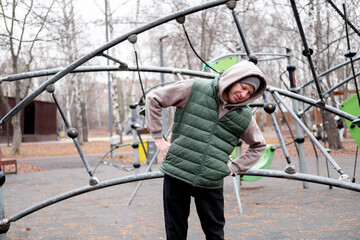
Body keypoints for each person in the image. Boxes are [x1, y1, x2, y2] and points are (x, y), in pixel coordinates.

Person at [145, 60, 267, 240]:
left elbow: (258, 145)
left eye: (249, 92)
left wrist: (235, 168)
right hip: (178, 172)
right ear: (233, 79)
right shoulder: (194, 88)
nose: (243, 94)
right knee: (175, 232)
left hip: (211, 180)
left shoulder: (244, 116)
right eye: (243, 87)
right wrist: (158, 138)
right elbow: (154, 98)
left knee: (215, 233)